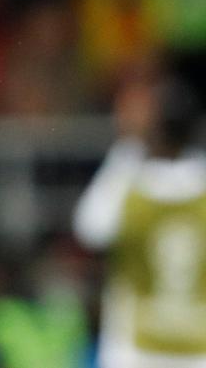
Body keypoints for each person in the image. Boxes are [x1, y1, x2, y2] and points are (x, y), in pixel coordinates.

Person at [73, 69, 206, 368]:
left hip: (134, 349)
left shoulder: (129, 183)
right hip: (198, 349)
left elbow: (88, 227)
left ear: (153, 130)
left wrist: (129, 143)